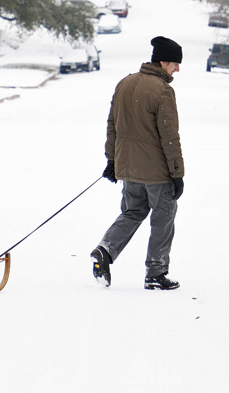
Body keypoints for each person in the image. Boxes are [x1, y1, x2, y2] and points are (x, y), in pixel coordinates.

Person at [91, 36, 185, 291]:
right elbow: (169, 136)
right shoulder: (163, 91)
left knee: (133, 212)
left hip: (128, 168)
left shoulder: (124, 83)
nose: (177, 69)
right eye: (175, 63)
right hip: (157, 172)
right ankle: (155, 273)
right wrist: (177, 174)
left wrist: (112, 160)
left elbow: (113, 125)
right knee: (163, 217)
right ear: (163, 61)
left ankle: (105, 251)